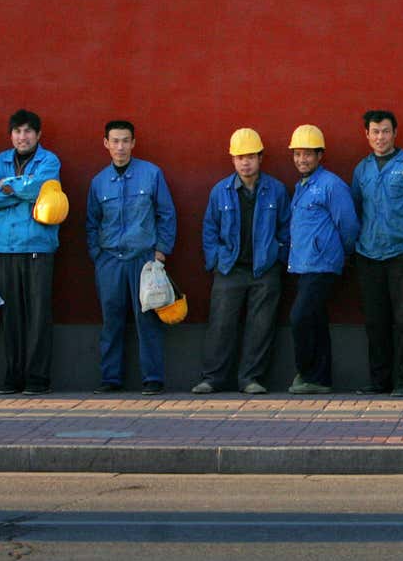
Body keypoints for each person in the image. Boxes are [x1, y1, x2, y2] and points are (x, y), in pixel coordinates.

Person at [194, 128, 290, 395]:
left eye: (250, 156)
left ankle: (250, 379)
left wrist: (277, 255)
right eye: (239, 157)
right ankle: (212, 379)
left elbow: (286, 227)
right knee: (221, 325)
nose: (245, 162)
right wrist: (215, 260)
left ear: (260, 158)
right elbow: (209, 229)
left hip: (265, 269)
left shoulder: (276, 190)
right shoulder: (220, 191)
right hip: (229, 268)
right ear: (232, 160)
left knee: (261, 327)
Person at [87, 120, 176, 396]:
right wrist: (98, 255)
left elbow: (167, 214)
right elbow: (92, 222)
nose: (120, 147)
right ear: (106, 144)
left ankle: (152, 379)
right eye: (114, 141)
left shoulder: (151, 174)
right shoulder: (98, 182)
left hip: (144, 260)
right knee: (111, 320)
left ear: (134, 143)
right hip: (110, 261)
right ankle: (110, 378)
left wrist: (160, 251)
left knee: (147, 319)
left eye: (125, 141)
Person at [350, 110, 403, 397]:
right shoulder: (361, 170)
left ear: (395, 133)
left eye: (385, 131)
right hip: (369, 255)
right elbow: (355, 209)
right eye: (375, 131)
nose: (380, 137)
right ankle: (379, 381)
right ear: (367, 135)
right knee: (375, 321)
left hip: (402, 254)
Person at [0, 109, 62, 395]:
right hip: (5, 246)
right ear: (11, 135)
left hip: (38, 246)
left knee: (38, 314)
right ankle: (12, 377)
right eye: (17, 131)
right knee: (12, 315)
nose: (22, 137)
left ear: (38, 135)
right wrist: (19, 189)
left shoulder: (49, 160)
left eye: (28, 131)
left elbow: (40, 189)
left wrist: (8, 187)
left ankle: (37, 379)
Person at [285, 124, 359, 395]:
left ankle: (306, 372)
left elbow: (348, 225)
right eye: (297, 154)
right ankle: (319, 378)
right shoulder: (302, 186)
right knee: (314, 319)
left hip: (323, 265)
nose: (301, 159)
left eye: (307, 154)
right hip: (303, 264)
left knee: (300, 317)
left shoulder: (331, 185)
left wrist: (343, 254)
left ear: (320, 156)